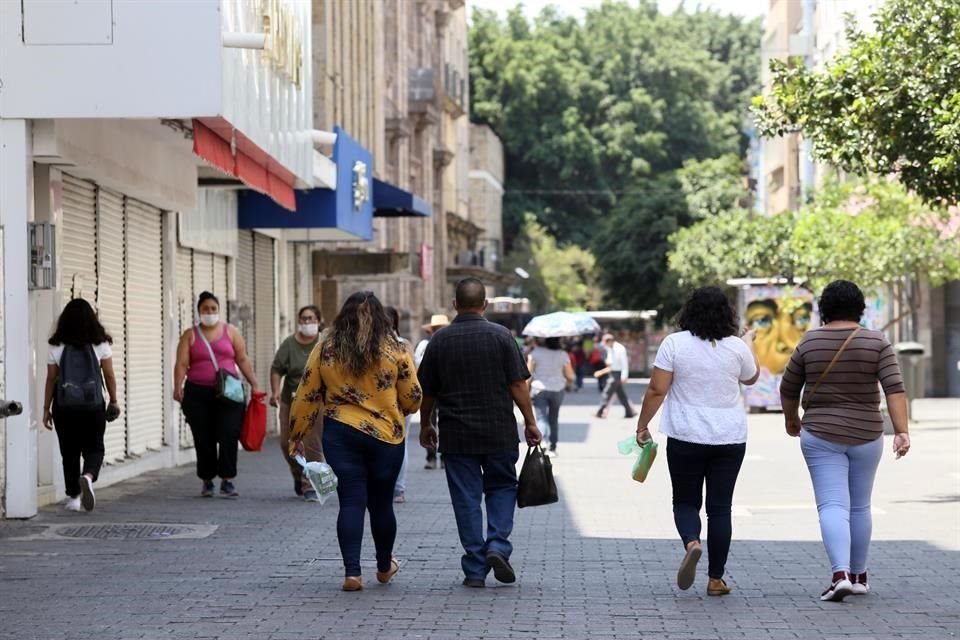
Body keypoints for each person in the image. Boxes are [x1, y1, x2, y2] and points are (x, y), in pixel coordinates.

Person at [780, 280, 910, 602]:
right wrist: (902, 431)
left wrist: (791, 419)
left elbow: (788, 387)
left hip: (820, 433)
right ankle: (860, 576)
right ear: (860, 309)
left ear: (823, 309)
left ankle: (840, 575)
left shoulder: (809, 342)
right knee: (860, 505)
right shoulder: (876, 342)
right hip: (867, 433)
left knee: (832, 504)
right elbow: (894, 388)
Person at [288, 292, 422, 592]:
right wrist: (396, 408)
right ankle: (385, 566)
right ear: (381, 318)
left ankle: (352, 573)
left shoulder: (326, 349)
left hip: (341, 434)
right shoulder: (396, 350)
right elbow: (413, 397)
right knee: (382, 504)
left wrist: (296, 435)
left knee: (350, 501)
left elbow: (306, 394)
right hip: (386, 437)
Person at [633, 286, 759, 596]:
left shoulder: (674, 344)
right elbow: (751, 377)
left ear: (688, 312)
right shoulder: (736, 347)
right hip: (730, 438)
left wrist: (642, 424)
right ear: (726, 314)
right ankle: (716, 579)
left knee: (686, 501)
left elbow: (657, 390)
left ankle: (691, 542)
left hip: (685, 436)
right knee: (720, 509)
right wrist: (748, 343)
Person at [417, 278, 541, 588]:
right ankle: (497, 545)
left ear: (455, 305)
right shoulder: (501, 336)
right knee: (501, 488)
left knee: (466, 498)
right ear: (484, 304)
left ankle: (474, 567)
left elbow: (427, 392)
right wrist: (530, 421)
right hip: (499, 431)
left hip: (457, 435)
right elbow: (517, 384)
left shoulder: (439, 342)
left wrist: (425, 424)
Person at [173, 291, 259, 498]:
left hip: (229, 393)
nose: (209, 313)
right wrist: (178, 387)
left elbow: (242, 359)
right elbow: (182, 363)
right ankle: (207, 479)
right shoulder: (190, 335)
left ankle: (227, 479)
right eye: (205, 309)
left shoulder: (231, 332)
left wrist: (254, 383)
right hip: (197, 393)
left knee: (229, 433)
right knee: (204, 437)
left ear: (219, 310)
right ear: (198, 312)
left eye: (213, 309)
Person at [42, 298, 120, 512]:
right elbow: (109, 375)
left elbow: (50, 379)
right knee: (95, 446)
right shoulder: (101, 343)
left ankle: (74, 497)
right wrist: (113, 400)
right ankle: (88, 475)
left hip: (64, 406)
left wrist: (45, 408)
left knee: (69, 451)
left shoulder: (56, 344)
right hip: (92, 405)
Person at [270, 305, 323, 501]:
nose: (307, 323)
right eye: (304, 319)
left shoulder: (324, 344)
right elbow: (276, 369)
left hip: (317, 402)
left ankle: (310, 485)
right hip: (290, 401)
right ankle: (298, 472)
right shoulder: (289, 344)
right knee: (287, 443)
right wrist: (275, 391)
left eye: (311, 318)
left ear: (318, 320)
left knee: (312, 443)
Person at [528, 337, 574, 453]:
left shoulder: (535, 353)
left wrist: (526, 391)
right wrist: (567, 383)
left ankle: (542, 441)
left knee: (541, 418)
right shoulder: (562, 354)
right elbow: (570, 376)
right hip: (557, 389)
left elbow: (528, 375)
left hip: (539, 389)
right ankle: (553, 445)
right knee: (554, 418)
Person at [415, 313, 449, 470]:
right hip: (430, 389)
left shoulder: (450, 342)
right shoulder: (423, 345)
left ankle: (444, 456)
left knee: (445, 423)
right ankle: (431, 455)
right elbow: (416, 366)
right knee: (429, 421)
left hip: (445, 389)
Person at [386, 306, 412, 504]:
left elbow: (412, 376)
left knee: (399, 443)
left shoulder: (403, 345)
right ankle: (392, 487)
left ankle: (398, 487)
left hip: (400, 403)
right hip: (381, 404)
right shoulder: (367, 345)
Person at [594, 333, 637, 419]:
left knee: (607, 392)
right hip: (613, 372)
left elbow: (624, 363)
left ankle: (600, 411)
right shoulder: (610, 348)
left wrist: (624, 376)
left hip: (617, 374)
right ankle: (629, 412)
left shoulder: (620, 349)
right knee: (621, 394)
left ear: (610, 341)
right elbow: (610, 361)